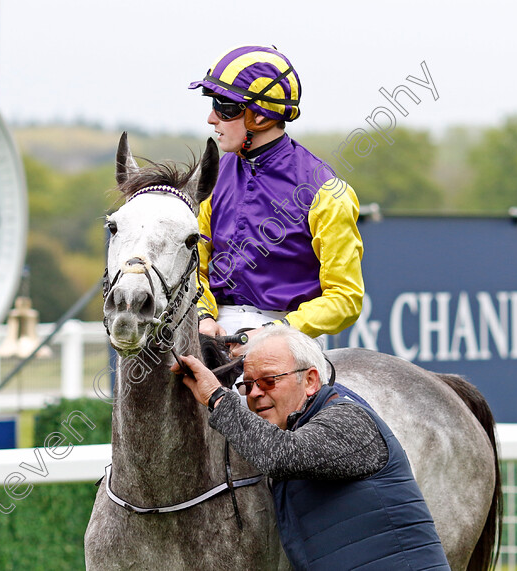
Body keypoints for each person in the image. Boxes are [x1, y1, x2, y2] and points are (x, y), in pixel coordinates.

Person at [171, 325, 450, 570]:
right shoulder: (299, 429)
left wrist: (217, 398)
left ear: (310, 381)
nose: (255, 393)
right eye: (247, 386)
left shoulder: (348, 419)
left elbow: (280, 454)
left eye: (269, 380)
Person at [188, 46, 364, 344]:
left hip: (289, 339)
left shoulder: (328, 192)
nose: (211, 118)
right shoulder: (214, 177)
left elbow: (345, 298)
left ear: (260, 117)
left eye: (224, 106)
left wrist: (274, 332)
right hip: (213, 329)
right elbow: (195, 266)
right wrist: (204, 316)